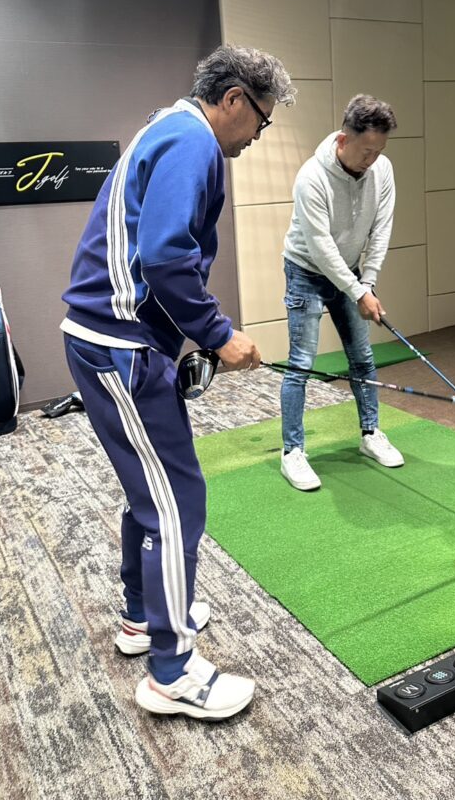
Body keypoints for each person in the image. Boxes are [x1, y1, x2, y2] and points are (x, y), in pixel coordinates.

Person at [61, 44, 295, 720]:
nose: (258, 136)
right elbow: (165, 256)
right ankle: (172, 670)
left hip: (112, 340)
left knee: (150, 490)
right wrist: (219, 334)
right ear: (233, 100)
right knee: (175, 500)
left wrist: (189, 340)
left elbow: (155, 255)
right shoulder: (194, 142)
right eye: (261, 120)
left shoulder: (167, 125)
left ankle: (142, 617)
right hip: (118, 346)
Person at [280, 94, 403, 491]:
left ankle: (371, 434)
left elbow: (381, 230)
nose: (373, 159)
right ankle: (292, 452)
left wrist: (367, 284)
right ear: (344, 139)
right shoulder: (311, 177)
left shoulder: (382, 169)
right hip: (306, 271)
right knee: (301, 363)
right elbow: (320, 248)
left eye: (379, 150)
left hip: (349, 272)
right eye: (367, 151)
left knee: (362, 358)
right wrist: (358, 293)